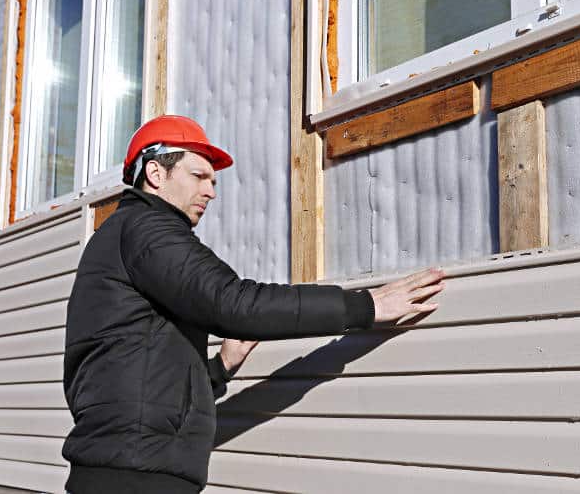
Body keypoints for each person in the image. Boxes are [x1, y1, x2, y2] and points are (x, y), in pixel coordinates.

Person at [62, 115, 445, 493]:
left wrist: (220, 369)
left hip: (123, 470)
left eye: (213, 181)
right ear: (156, 174)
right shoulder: (146, 229)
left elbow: (135, 374)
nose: (211, 191)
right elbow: (234, 304)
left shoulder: (120, 237)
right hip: (134, 480)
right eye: (199, 176)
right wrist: (367, 306)